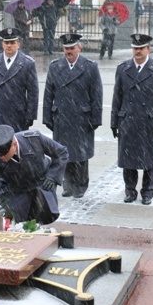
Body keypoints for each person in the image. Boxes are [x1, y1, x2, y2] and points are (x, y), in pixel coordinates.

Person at [111, 34, 153, 205]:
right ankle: (130, 191)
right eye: (135, 48)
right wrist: (114, 122)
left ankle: (148, 192)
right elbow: (117, 97)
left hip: (148, 121)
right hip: (128, 119)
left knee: (149, 159)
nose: (137, 51)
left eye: (141, 48)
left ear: (148, 49)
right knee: (128, 158)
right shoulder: (123, 68)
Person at [43, 33, 103, 198]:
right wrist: (47, 117)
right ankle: (68, 186)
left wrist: (95, 119)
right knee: (64, 153)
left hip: (82, 118)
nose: (69, 51)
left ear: (79, 48)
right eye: (66, 48)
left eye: (72, 48)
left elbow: (96, 94)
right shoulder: (55, 66)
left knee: (80, 154)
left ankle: (81, 186)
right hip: (62, 116)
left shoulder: (90, 67)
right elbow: (49, 93)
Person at [0, 124, 68, 225]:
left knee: (41, 218)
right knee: (10, 223)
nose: (2, 158)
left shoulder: (34, 139)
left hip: (40, 182)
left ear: (14, 144)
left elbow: (61, 152)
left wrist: (52, 176)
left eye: (5, 154)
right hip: (14, 189)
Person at [0, 27, 39, 132]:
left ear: (18, 44)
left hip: (18, 114)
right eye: (6, 42)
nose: (9, 45)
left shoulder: (27, 63)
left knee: (17, 145)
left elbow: (33, 93)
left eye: (12, 42)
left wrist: (31, 115)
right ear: (2, 44)